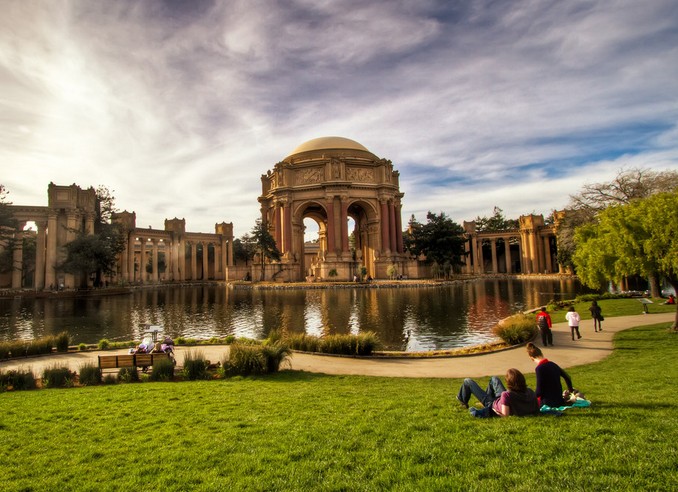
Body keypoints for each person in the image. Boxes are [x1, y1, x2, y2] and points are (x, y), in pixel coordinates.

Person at [456, 368, 539, 417]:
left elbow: (505, 415)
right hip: (502, 400)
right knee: (494, 379)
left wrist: (494, 411)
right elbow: (536, 408)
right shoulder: (530, 391)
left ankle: (463, 401)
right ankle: (484, 401)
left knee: (468, 381)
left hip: (492, 404)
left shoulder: (506, 394)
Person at [526, 342, 574, 407]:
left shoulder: (539, 368)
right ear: (541, 353)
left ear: (531, 358)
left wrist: (532, 398)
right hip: (559, 400)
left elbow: (539, 391)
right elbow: (567, 377)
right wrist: (570, 390)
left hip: (548, 402)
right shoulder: (553, 364)